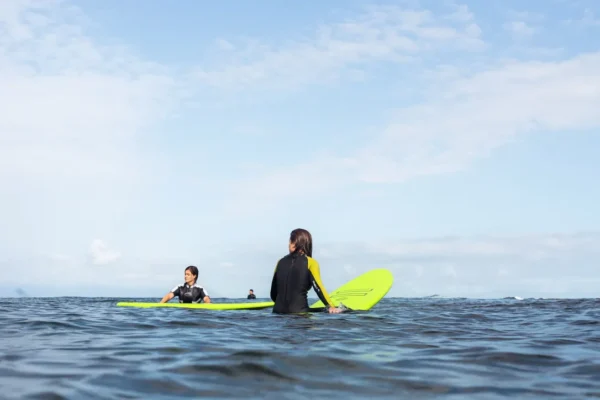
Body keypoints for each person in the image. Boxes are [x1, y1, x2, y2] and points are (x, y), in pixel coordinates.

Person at [270, 228, 342, 314]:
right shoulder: (311, 262)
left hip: (277, 313)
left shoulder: (280, 262)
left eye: (289, 242)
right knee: (345, 311)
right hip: (300, 314)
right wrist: (331, 306)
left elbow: (273, 292)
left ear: (294, 244)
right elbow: (318, 288)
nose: (288, 245)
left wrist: (281, 304)